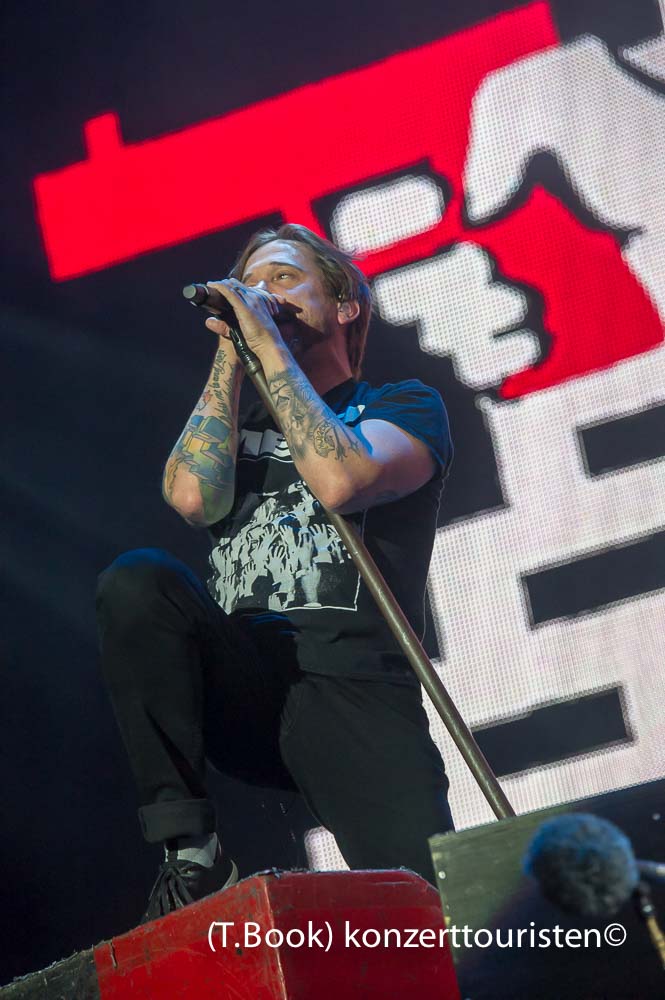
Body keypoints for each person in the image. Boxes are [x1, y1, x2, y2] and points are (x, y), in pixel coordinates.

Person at [96, 223, 454, 923]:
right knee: (137, 580)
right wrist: (233, 353)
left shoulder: (401, 405)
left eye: (284, 278)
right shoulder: (236, 425)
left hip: (354, 691)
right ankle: (191, 849)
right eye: (251, 283)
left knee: (430, 920)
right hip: (252, 679)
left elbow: (343, 481)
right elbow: (191, 499)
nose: (262, 292)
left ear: (344, 305)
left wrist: (266, 342)